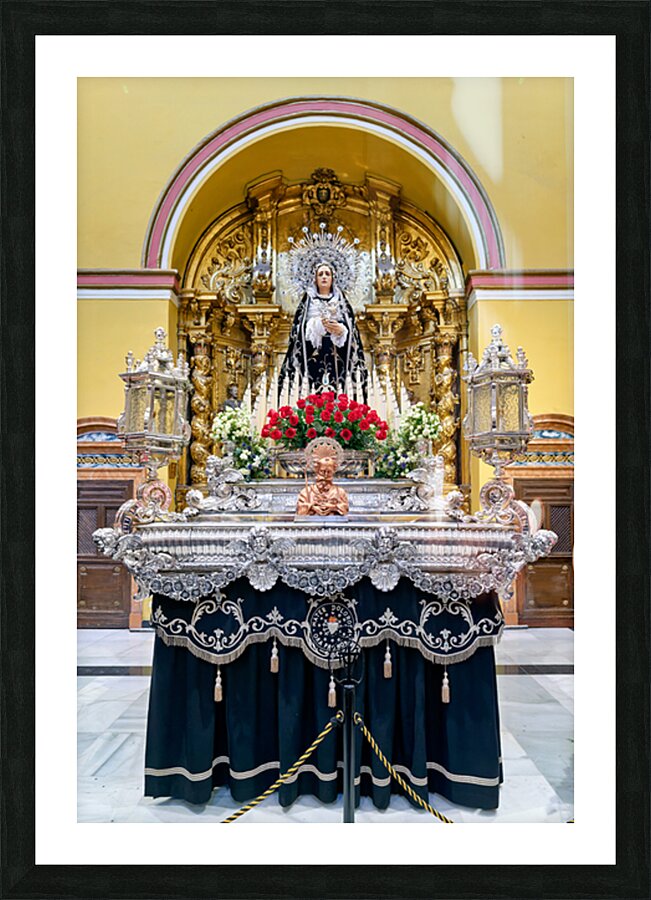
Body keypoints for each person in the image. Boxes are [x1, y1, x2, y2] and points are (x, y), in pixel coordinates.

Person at [278, 225, 368, 402]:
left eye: (327, 273)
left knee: (339, 392)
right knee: (311, 391)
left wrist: (341, 330)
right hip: (312, 357)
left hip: (338, 359)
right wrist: (316, 326)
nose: (324, 277)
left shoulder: (342, 301)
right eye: (321, 274)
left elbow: (353, 335)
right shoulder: (308, 302)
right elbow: (298, 335)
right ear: (315, 278)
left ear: (334, 277)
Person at [296, 441, 349, 516]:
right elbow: (300, 508)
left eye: (329, 472)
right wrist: (313, 507)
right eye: (322, 471)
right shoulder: (306, 492)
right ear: (317, 470)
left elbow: (345, 508)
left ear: (333, 471)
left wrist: (333, 507)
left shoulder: (340, 492)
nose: (325, 475)